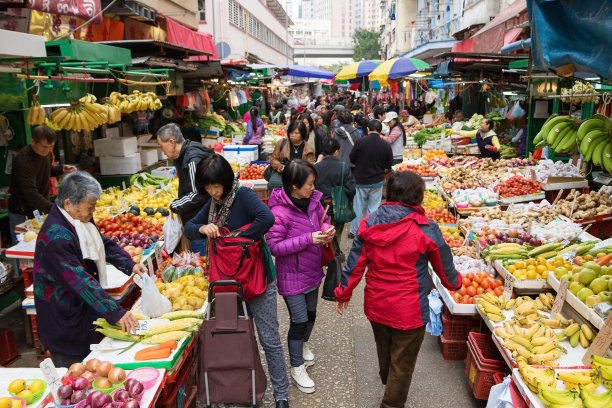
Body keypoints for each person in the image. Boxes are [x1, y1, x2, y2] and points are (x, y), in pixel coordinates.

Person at [335, 171, 462, 408]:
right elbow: (445, 269)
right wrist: (456, 284)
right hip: (410, 309)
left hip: (376, 304)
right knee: (402, 363)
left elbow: (354, 266)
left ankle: (388, 381)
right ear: (419, 197)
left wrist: (343, 293)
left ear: (389, 192)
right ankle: (391, 402)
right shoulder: (427, 228)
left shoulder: (368, 223)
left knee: (384, 349)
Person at [183, 155, 290, 408]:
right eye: (208, 187)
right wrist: (202, 229)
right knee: (241, 338)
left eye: (216, 185)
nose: (213, 191)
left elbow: (267, 219)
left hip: (258, 276)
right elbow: (189, 226)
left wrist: (235, 237)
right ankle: (248, 389)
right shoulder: (212, 204)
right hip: (229, 283)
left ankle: (281, 394)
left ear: (227, 180)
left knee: (269, 339)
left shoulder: (243, 196)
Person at [33, 172, 147, 367]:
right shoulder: (57, 237)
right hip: (64, 320)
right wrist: (115, 312)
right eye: (90, 206)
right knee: (74, 373)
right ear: (68, 203)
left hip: (82, 312)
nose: (93, 211)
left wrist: (130, 264)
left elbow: (101, 243)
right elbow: (80, 280)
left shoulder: (78, 219)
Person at [266, 159, 335, 394]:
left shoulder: (313, 202)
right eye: (309, 184)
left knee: (311, 316)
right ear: (294, 186)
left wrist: (327, 228)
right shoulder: (279, 213)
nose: (313, 188)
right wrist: (309, 239)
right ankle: (297, 367)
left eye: (313, 183)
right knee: (298, 321)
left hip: (313, 271)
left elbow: (321, 220)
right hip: (291, 277)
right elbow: (274, 247)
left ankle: (304, 346)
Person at [8, 125, 76, 244]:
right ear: (33, 141)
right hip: (22, 210)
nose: (47, 150)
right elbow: (31, 194)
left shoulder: (47, 154)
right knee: (23, 248)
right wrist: (55, 209)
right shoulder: (23, 160)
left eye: (51, 146)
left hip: (38, 209)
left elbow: (46, 169)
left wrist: (61, 169)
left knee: (42, 246)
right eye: (44, 146)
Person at [157, 123, 213, 254]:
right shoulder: (185, 154)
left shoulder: (192, 159)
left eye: (161, 145)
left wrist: (175, 205)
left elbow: (197, 193)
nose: (162, 151)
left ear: (171, 142)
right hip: (201, 219)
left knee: (203, 264)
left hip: (200, 222)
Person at [348, 120, 393, 239]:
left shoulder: (360, 142)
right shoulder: (385, 145)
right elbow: (389, 164)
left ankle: (355, 231)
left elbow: (352, 159)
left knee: (357, 207)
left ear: (368, 129)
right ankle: (370, 229)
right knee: (373, 207)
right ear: (381, 131)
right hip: (377, 180)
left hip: (360, 180)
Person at [314, 138, 356, 253]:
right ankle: (334, 254)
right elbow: (351, 189)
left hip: (321, 206)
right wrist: (348, 200)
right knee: (335, 232)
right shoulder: (343, 167)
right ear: (336, 151)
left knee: (321, 231)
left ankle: (323, 254)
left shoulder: (317, 167)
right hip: (339, 206)